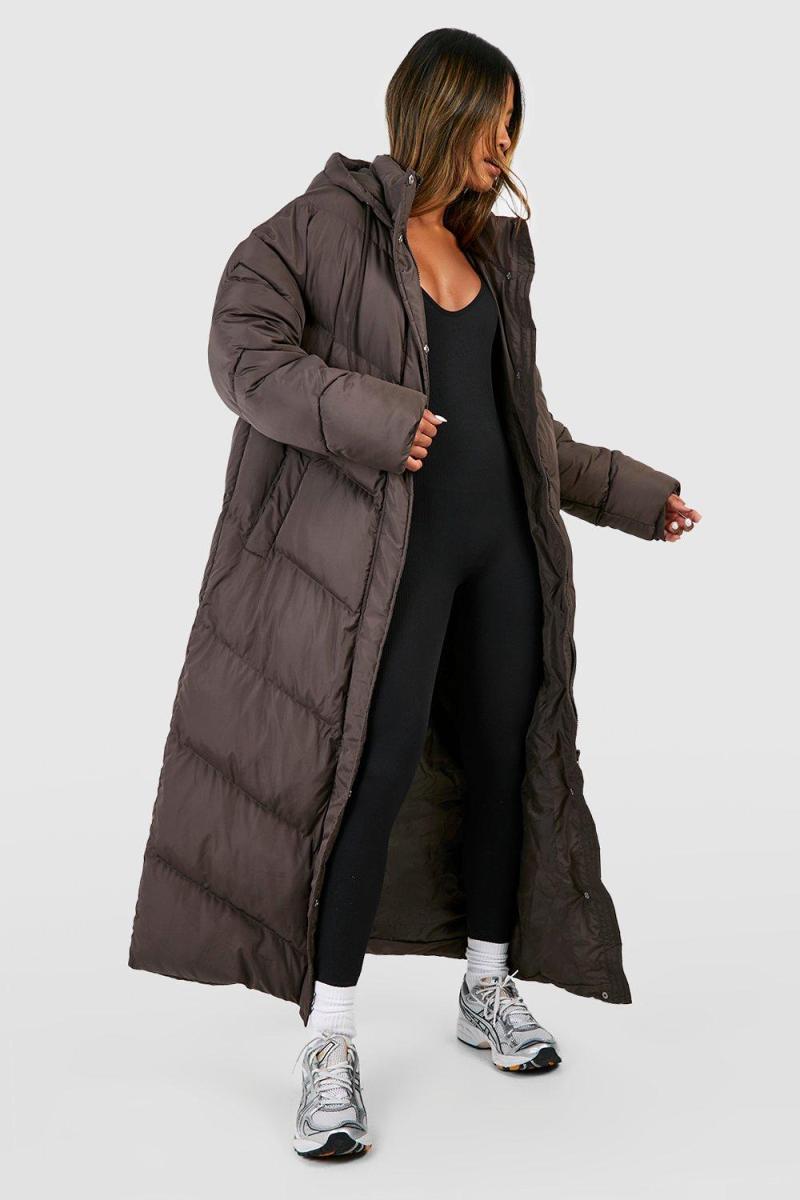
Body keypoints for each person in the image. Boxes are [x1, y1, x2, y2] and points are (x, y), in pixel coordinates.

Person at [128, 27, 700, 1164]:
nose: (505, 143)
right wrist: (379, 419)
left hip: (504, 555)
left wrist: (634, 496)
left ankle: (487, 987)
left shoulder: (492, 252)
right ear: (438, 109)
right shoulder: (324, 227)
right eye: (492, 120)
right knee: (371, 775)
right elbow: (241, 354)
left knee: (501, 760)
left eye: (514, 125)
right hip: (390, 565)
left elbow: (522, 429)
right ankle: (329, 1040)